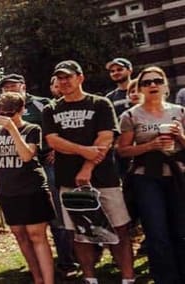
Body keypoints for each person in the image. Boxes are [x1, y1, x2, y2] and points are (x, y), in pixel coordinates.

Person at [42, 60, 135, 284]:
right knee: (80, 232)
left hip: (104, 179)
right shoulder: (51, 109)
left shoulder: (100, 104)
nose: (64, 82)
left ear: (80, 78)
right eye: (60, 78)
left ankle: (128, 278)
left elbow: (106, 138)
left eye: (68, 77)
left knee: (119, 228)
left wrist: (88, 167)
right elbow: (53, 140)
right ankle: (90, 278)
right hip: (69, 180)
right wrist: (84, 150)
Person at [0, 73, 77, 278]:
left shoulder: (42, 104)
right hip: (15, 169)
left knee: (55, 216)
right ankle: (38, 269)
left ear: (23, 86)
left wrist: (56, 148)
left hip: (45, 163)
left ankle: (66, 260)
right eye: (6, 87)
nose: (10, 89)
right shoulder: (1, 109)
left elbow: (61, 125)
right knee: (29, 226)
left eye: (13, 85)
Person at [117, 66, 185, 284]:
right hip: (146, 177)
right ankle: (166, 279)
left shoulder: (179, 111)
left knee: (181, 229)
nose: (153, 85)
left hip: (176, 176)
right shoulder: (130, 115)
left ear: (165, 85)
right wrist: (150, 145)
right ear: (140, 88)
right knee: (157, 232)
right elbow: (122, 150)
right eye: (147, 82)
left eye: (157, 80)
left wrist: (181, 136)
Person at [0, 92, 55, 284]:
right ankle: (37, 277)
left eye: (11, 113)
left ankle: (48, 281)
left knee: (37, 235)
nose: (6, 117)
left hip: (31, 188)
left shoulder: (32, 128)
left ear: (22, 110)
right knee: (20, 235)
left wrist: (13, 129)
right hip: (7, 190)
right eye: (2, 113)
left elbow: (26, 156)